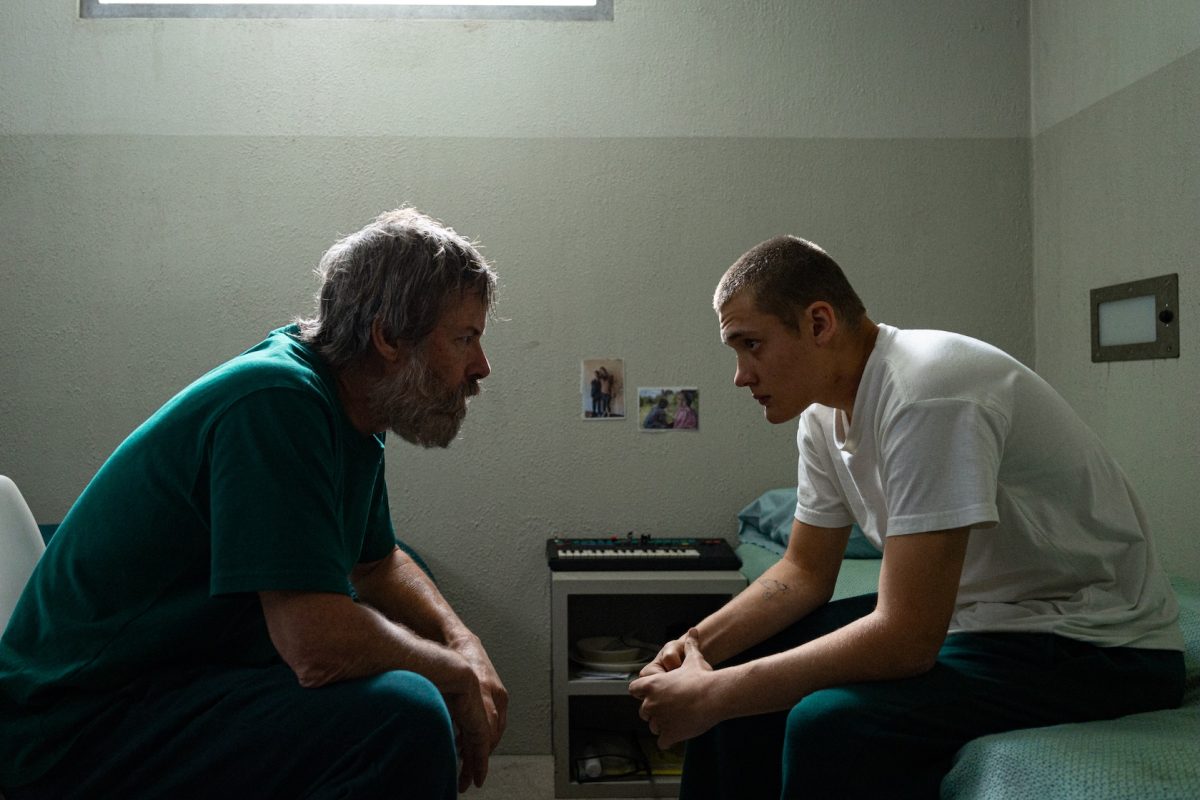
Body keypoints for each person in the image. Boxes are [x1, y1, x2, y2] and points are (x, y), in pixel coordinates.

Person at [628, 235, 1184, 799]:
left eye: (751, 345)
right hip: (974, 618)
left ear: (819, 323)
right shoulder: (822, 413)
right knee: (740, 660)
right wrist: (696, 648)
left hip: (1097, 644)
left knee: (827, 724)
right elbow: (803, 571)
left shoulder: (928, 394)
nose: (741, 375)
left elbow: (906, 640)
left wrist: (716, 694)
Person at [0, 207, 508, 799]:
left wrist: (463, 644)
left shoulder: (351, 411)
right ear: (388, 337)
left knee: (411, 688)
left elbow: (375, 563)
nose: (482, 367)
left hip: (172, 686)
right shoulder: (277, 401)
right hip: (74, 728)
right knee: (407, 713)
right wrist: (450, 674)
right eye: (465, 338)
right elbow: (313, 645)